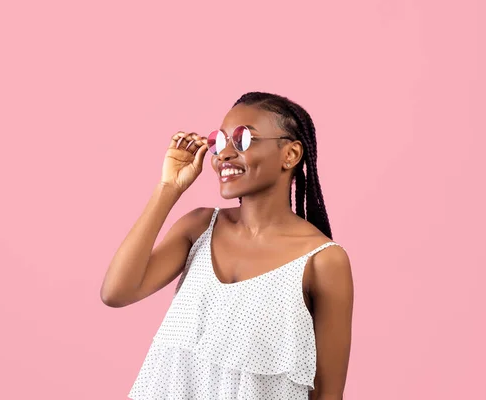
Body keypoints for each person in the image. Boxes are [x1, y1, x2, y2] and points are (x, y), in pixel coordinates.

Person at [101, 92, 354, 399]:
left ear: (290, 154)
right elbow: (116, 292)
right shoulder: (199, 228)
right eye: (219, 143)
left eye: (243, 139)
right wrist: (168, 189)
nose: (224, 155)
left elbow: (328, 393)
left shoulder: (323, 262)